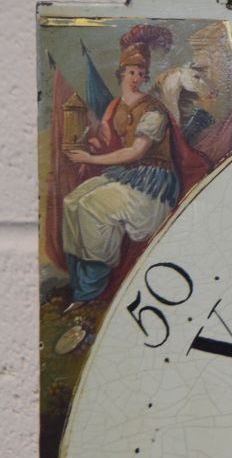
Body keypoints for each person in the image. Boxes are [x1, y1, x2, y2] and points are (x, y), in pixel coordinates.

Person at [58, 26, 208, 309]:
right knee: (73, 201)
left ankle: (93, 291)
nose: (136, 78)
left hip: (152, 184)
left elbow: (134, 151)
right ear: (121, 74)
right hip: (126, 176)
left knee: (94, 207)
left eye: (141, 73)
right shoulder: (114, 105)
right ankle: (79, 287)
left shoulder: (153, 110)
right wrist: (86, 140)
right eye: (131, 72)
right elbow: (105, 138)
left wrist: (90, 160)